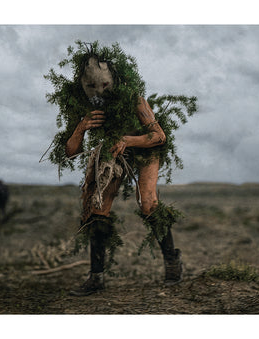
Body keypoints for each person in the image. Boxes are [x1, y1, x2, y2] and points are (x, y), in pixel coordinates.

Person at [65, 55, 183, 296]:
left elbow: (159, 136)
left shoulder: (134, 100)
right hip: (115, 150)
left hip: (144, 147)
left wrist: (128, 140)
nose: (99, 91)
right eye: (91, 86)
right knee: (97, 207)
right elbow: (71, 152)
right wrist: (81, 127)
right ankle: (96, 277)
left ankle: (172, 261)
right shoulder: (84, 106)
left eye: (104, 85)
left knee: (148, 203)